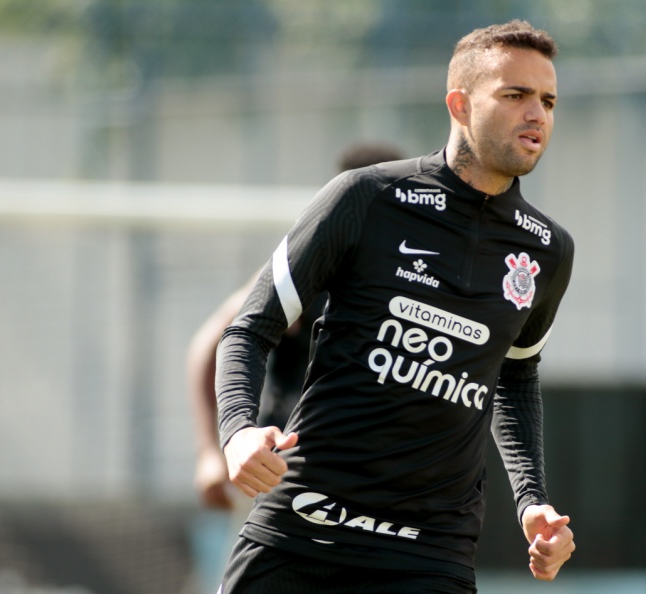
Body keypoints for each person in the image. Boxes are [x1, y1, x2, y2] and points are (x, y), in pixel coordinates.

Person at [215, 19, 575, 593]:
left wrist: (531, 500)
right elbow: (249, 328)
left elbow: (515, 374)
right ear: (460, 104)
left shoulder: (546, 249)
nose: (537, 114)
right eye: (515, 95)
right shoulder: (366, 197)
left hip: (430, 554)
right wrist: (236, 433)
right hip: (305, 529)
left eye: (548, 100)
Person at [188, 142, 406, 510]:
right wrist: (213, 449)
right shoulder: (309, 267)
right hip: (288, 472)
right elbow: (217, 339)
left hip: (375, 479)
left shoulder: (409, 277)